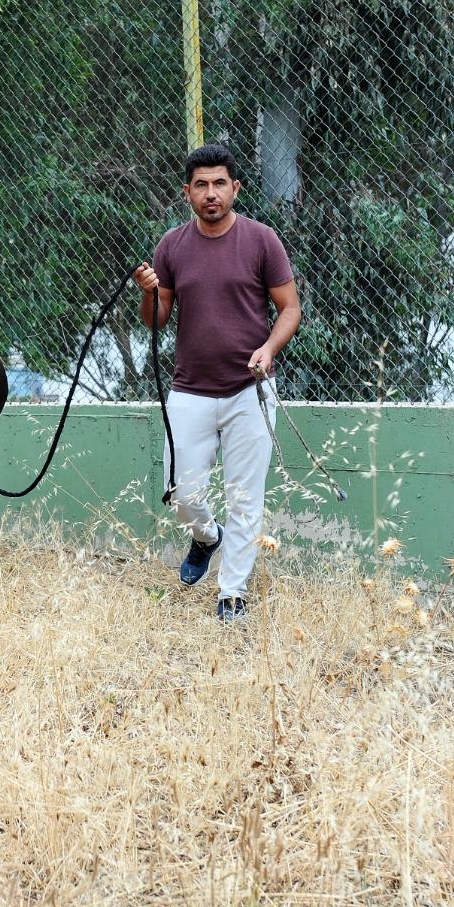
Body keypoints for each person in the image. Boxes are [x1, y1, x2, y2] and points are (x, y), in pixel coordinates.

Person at [134, 143, 302, 624]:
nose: (212, 194)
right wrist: (148, 293)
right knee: (182, 494)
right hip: (190, 390)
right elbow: (157, 320)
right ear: (187, 192)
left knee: (245, 496)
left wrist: (269, 350)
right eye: (202, 185)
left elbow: (290, 307)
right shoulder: (171, 246)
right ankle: (207, 537)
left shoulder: (262, 240)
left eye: (220, 184)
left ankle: (232, 594)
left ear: (235, 188)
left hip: (249, 390)